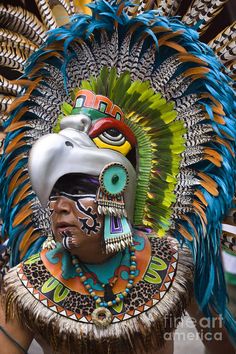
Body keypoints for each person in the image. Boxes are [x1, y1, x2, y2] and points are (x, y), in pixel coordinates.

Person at [0, 0, 235, 353]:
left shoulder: (174, 266)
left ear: (117, 189)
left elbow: (221, 345)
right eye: (53, 194)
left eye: (78, 187)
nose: (60, 208)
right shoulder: (26, 286)